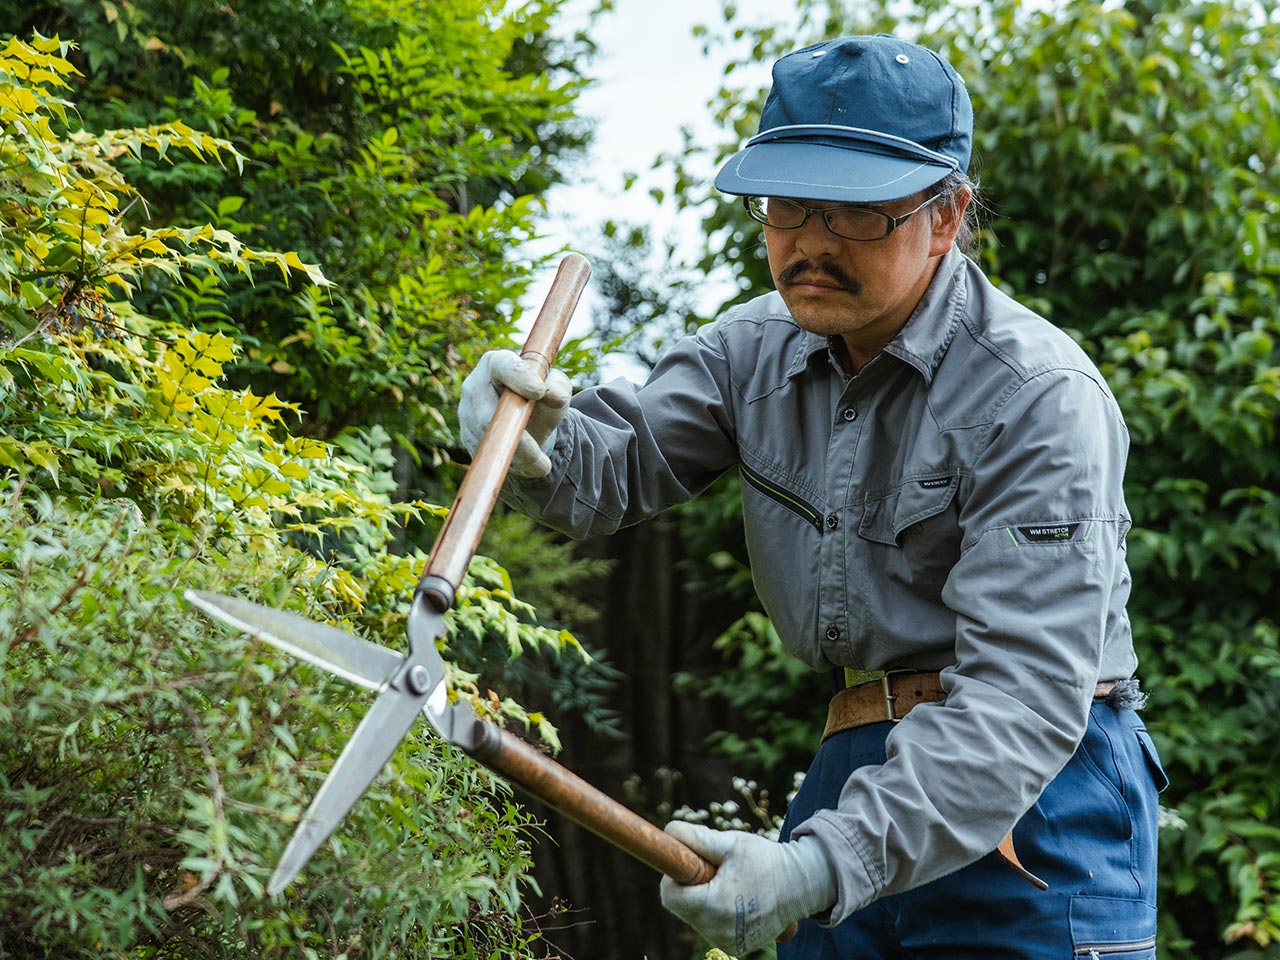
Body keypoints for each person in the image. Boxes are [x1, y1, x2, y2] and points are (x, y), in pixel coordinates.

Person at [458, 33, 1167, 959]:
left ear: (945, 215)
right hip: (853, 764)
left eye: (856, 212)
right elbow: (612, 468)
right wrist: (520, 441)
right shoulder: (752, 349)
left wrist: (817, 865)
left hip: (1038, 789)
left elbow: (1024, 695)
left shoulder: (1036, 396)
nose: (812, 244)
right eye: (788, 205)